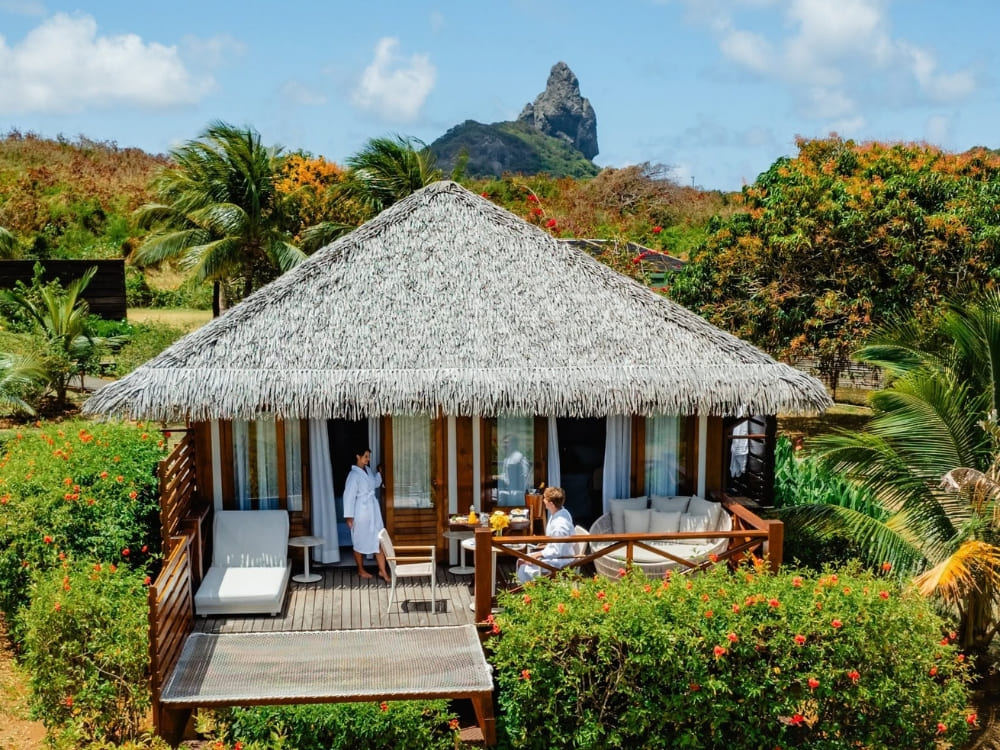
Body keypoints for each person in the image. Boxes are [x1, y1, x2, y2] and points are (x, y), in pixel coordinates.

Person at [343, 448, 390, 582]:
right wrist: (349, 516)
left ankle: (382, 571)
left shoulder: (368, 471)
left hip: (373, 510)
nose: (368, 459)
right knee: (359, 539)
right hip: (361, 512)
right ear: (357, 456)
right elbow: (349, 496)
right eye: (366, 456)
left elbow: (374, 483)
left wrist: (379, 473)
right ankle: (361, 570)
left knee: (379, 538)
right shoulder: (353, 475)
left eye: (369, 456)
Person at [517, 486, 574, 583]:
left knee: (523, 564)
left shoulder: (559, 525)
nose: (543, 501)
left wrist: (538, 555)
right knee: (522, 559)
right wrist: (543, 545)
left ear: (551, 504)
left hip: (560, 560)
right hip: (558, 554)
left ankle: (526, 590)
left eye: (545, 499)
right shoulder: (562, 512)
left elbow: (557, 551)